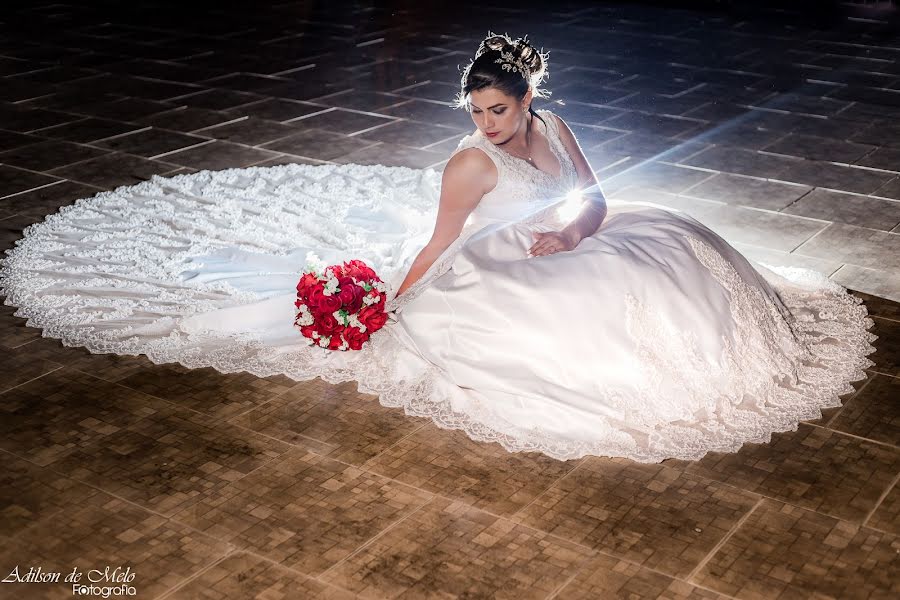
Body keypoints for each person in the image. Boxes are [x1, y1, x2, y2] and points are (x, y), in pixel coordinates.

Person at [0, 34, 875, 463]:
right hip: (489, 261)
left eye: (499, 111)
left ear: (530, 99)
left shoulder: (559, 125)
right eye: (476, 112)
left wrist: (572, 229)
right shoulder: (469, 165)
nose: (487, 125)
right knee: (572, 319)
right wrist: (394, 298)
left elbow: (598, 194)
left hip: (566, 241)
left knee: (681, 243)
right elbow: (440, 241)